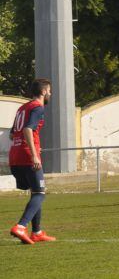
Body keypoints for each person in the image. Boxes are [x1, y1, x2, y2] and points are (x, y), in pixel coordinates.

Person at [8, 78, 55, 245]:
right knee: (40, 194)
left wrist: (30, 146)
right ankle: (21, 226)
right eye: (49, 91)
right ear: (43, 92)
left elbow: (13, 134)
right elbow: (28, 129)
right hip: (28, 157)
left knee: (35, 192)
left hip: (15, 156)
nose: (50, 93)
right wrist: (34, 154)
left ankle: (37, 232)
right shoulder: (37, 107)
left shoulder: (22, 108)